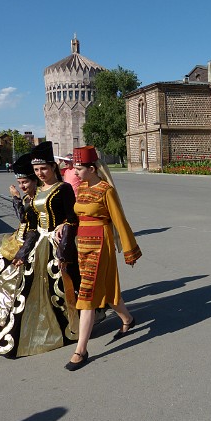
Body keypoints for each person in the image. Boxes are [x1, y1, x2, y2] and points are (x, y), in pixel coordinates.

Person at [0, 141, 80, 358]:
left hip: (58, 247)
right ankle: (26, 332)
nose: (40, 173)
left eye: (44, 169)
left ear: (52, 167)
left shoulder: (64, 189)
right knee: (29, 290)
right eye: (36, 170)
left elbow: (72, 220)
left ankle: (71, 328)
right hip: (37, 247)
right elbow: (31, 226)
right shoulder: (38, 192)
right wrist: (23, 253)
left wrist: (64, 252)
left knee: (60, 290)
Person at [65, 146, 142, 371]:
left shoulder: (106, 190)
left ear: (91, 168)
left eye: (79, 168)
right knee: (106, 289)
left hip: (101, 244)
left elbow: (120, 221)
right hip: (83, 246)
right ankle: (127, 319)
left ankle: (81, 350)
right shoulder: (84, 189)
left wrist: (130, 250)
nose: (75, 172)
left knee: (87, 294)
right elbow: (77, 216)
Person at [0, 153, 40, 334]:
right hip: (18, 241)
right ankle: (6, 320)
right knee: (4, 279)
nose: (22, 186)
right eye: (20, 183)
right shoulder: (27, 198)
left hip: (32, 245)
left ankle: (16, 322)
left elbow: (34, 228)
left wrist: (23, 252)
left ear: (34, 180)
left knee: (16, 283)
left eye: (25, 182)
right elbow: (22, 219)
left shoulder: (39, 199)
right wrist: (17, 198)